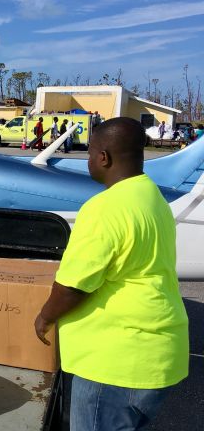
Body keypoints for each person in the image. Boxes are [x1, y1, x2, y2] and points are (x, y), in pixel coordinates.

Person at [34, 117, 189, 431]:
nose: (89, 160)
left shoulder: (105, 208)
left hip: (115, 363)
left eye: (90, 153)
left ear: (103, 157)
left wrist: (45, 317)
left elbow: (73, 286)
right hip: (158, 353)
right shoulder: (152, 197)